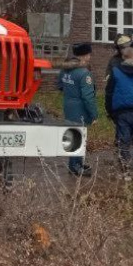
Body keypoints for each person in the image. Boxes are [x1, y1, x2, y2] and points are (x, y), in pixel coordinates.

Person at [106, 45, 133, 172]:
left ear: (123, 58)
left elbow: (109, 92)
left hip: (122, 112)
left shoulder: (115, 72)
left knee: (123, 140)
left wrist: (109, 111)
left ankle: (125, 168)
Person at [59, 42, 98, 177]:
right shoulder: (84, 73)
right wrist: (94, 115)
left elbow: (59, 85)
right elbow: (88, 97)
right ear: (85, 55)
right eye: (89, 54)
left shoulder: (65, 68)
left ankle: (75, 164)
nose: (90, 57)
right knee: (79, 137)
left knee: (73, 135)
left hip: (68, 106)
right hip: (80, 109)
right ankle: (76, 167)